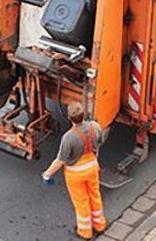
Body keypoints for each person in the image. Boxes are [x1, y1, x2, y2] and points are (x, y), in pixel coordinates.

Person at [42, 101, 108, 240]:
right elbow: (100, 141)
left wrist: (47, 174)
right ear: (83, 114)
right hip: (92, 167)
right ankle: (100, 225)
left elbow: (60, 160)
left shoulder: (69, 137)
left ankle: (85, 232)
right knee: (95, 195)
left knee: (81, 202)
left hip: (76, 174)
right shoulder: (94, 126)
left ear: (69, 118)